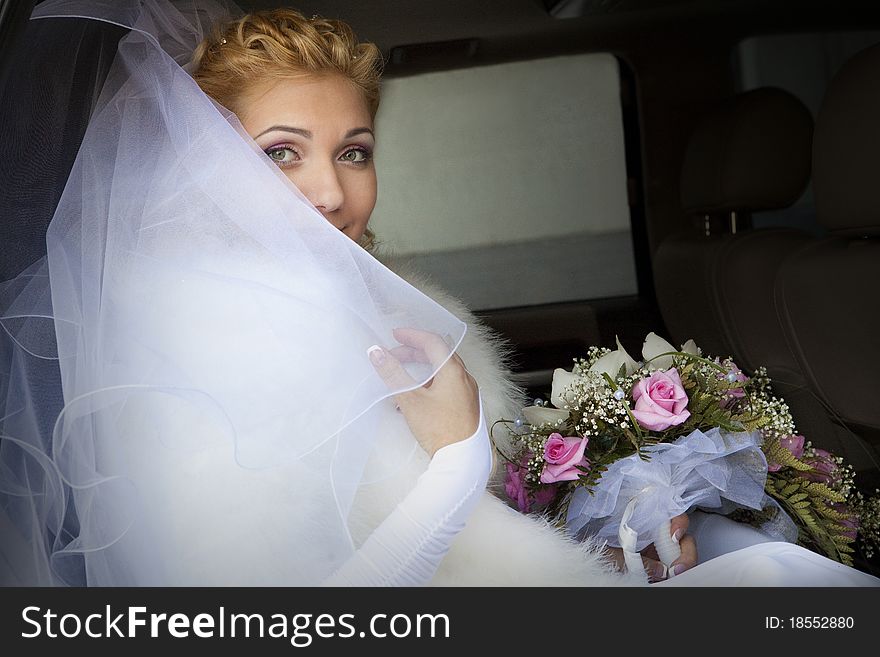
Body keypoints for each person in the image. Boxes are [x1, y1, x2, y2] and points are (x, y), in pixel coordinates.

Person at [0, 0, 876, 587]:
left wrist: (602, 535)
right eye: (279, 152)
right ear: (201, 166)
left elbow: (472, 535)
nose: (331, 193)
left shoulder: (364, 297)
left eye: (353, 150)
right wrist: (458, 460)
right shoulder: (194, 346)